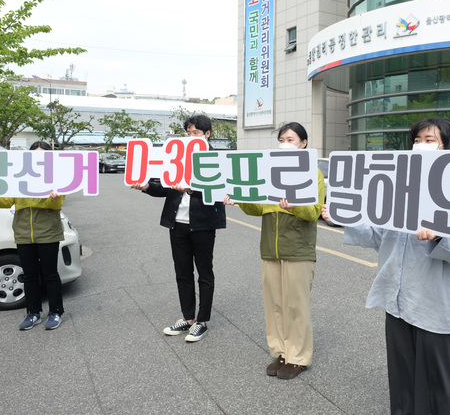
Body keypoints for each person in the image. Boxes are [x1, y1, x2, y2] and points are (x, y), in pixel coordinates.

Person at [323, 117, 450, 414]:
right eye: (418, 140)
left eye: (431, 140)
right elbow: (378, 235)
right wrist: (342, 217)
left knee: (439, 388)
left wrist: (441, 234)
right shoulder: (398, 187)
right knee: (403, 383)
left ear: (449, 149)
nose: (421, 145)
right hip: (399, 302)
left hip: (438, 306)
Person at [224, 122, 324, 380]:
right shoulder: (269, 173)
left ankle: (298, 357)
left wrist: (294, 207)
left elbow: (314, 213)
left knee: (296, 306)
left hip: (298, 250)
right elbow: (258, 208)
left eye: (291, 139)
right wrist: (239, 198)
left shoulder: (314, 173)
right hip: (270, 249)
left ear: (303, 143)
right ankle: (281, 351)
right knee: (275, 304)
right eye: (282, 138)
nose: (285, 142)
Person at [132, 113, 226, 342]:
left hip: (203, 224)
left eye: (196, 133)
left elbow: (220, 190)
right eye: (188, 133)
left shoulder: (215, 158)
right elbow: (164, 188)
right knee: (182, 272)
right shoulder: (177, 157)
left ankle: (202, 321)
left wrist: (191, 189)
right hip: (177, 224)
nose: (191, 136)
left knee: (204, 272)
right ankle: (188, 318)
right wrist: (146, 186)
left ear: (207, 134)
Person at [0, 140, 66, 331]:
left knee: (50, 274)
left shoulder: (57, 177)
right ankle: (33, 313)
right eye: (35, 155)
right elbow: (5, 201)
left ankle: (55, 312)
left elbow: (56, 205)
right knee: (29, 275)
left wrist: (50, 197)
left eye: (43, 156)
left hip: (48, 233)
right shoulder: (19, 177)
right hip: (22, 233)